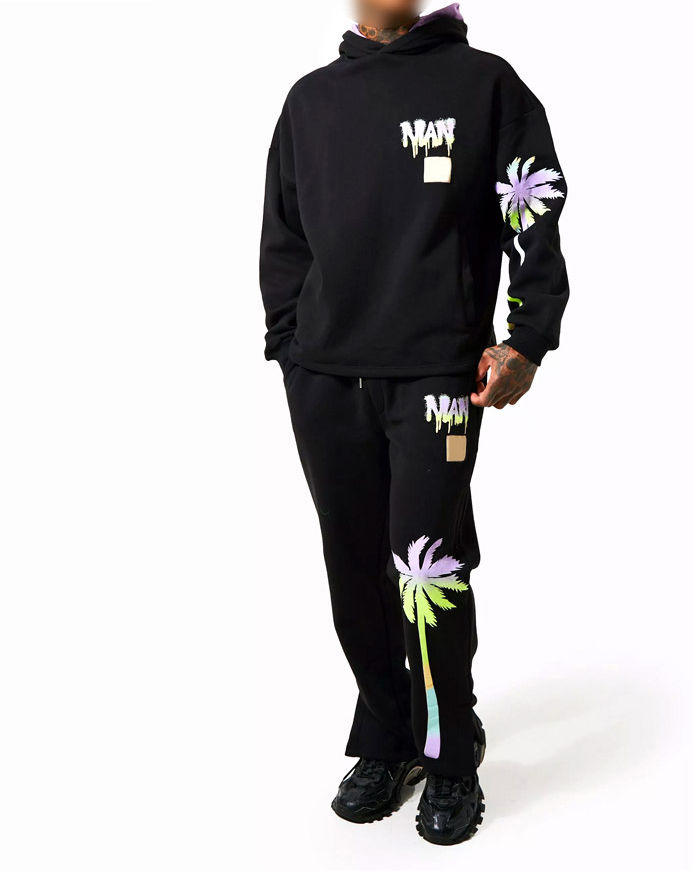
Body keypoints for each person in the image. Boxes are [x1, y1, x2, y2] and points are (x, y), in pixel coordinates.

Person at [258, 0, 570, 846]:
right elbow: (284, 236)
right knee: (354, 569)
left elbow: (533, 204)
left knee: (426, 565)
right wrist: (291, 348)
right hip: (326, 380)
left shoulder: (484, 85)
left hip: (436, 377)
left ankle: (449, 747)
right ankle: (389, 735)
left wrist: (527, 337)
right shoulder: (311, 99)